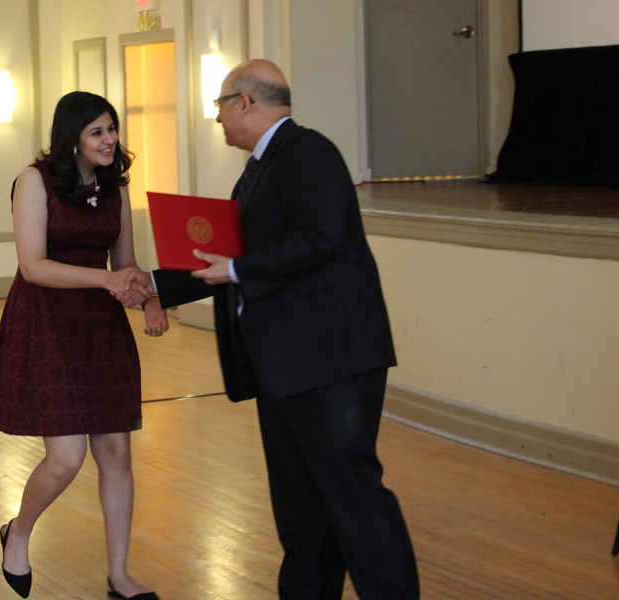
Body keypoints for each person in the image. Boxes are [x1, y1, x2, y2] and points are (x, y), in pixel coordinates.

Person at [147, 60, 420, 599]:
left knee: (352, 497)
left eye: (220, 107)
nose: (219, 119)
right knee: (301, 508)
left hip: (329, 361)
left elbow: (318, 238)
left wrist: (238, 269)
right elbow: (224, 256)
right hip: (286, 365)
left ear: (246, 102)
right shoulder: (259, 168)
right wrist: (152, 286)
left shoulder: (307, 152)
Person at [0, 91, 164, 600]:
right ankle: (18, 530)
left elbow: (126, 262)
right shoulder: (34, 181)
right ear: (73, 138)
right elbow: (33, 266)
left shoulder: (115, 188)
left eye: (111, 129)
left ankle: (119, 576)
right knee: (65, 458)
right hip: (48, 322)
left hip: (99, 325)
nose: (109, 140)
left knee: (116, 452)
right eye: (97, 132)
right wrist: (106, 281)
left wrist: (151, 298)